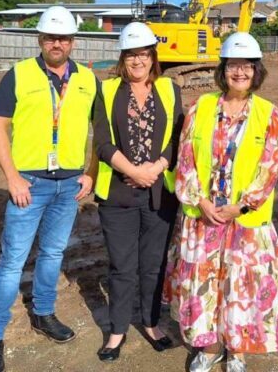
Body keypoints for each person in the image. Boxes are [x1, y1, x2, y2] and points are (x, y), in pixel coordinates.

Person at [165, 32, 278, 372]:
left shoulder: (268, 114)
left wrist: (241, 206)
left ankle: (236, 349)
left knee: (239, 286)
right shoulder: (202, 108)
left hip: (244, 220)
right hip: (204, 216)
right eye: (233, 65)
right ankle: (209, 348)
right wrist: (202, 201)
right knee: (203, 282)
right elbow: (185, 159)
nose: (239, 72)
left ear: (257, 71)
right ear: (223, 69)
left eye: (247, 66)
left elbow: (270, 165)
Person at [0, 6, 97, 372]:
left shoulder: (88, 80)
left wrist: (90, 172)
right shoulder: (19, 75)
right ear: (40, 40)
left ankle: (43, 313)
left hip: (69, 184)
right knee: (12, 260)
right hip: (29, 183)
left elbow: (102, 133)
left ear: (73, 42)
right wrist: (12, 177)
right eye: (50, 37)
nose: (57, 44)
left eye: (63, 38)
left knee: (53, 253)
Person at [90, 22, 184, 362]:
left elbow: (178, 138)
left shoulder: (170, 90)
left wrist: (154, 169)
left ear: (153, 57)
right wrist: (132, 171)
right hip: (118, 194)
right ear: (122, 57)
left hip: (160, 195)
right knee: (122, 265)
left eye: (143, 54)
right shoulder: (108, 89)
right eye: (131, 55)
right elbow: (101, 141)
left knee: (154, 264)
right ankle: (117, 330)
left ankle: (151, 323)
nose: (137, 61)